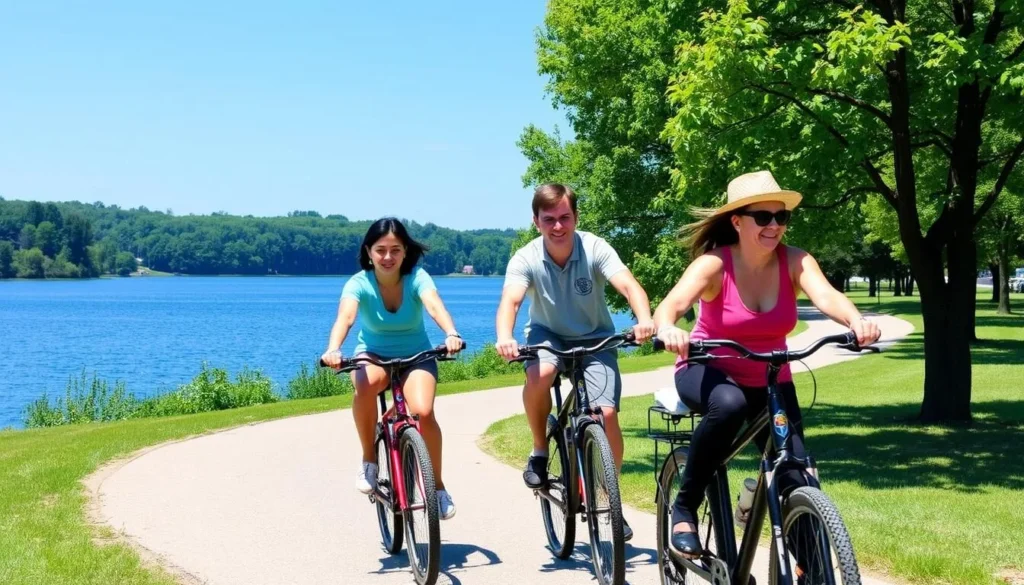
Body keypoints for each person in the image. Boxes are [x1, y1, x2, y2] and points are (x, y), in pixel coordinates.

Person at [652, 170, 881, 556]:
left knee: (795, 473)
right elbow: (671, 306)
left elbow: (827, 296)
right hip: (707, 369)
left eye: (781, 217)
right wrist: (668, 328)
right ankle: (684, 507)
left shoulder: (796, 261)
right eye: (763, 217)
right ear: (738, 221)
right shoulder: (714, 265)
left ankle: (811, 565)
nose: (774, 226)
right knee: (728, 406)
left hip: (772, 379)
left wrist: (855, 320)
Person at [494, 183, 657, 541]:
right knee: (543, 372)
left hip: (595, 337)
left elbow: (629, 286)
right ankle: (539, 449)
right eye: (549, 219)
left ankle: (608, 499)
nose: (558, 226)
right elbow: (511, 300)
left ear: (575, 217)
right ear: (536, 221)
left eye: (564, 217)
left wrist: (644, 319)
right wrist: (505, 337)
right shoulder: (525, 258)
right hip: (547, 336)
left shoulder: (594, 247)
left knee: (607, 414)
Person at [321, 217, 464, 520]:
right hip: (373, 354)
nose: (388, 257)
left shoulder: (417, 278)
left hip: (417, 355)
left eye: (395, 250)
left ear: (405, 252)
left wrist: (451, 333)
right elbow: (345, 318)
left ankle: (437, 488)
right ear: (369, 252)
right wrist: (334, 349)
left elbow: (434, 305)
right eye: (381, 250)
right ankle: (369, 460)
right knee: (364, 386)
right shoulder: (359, 283)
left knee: (423, 413)